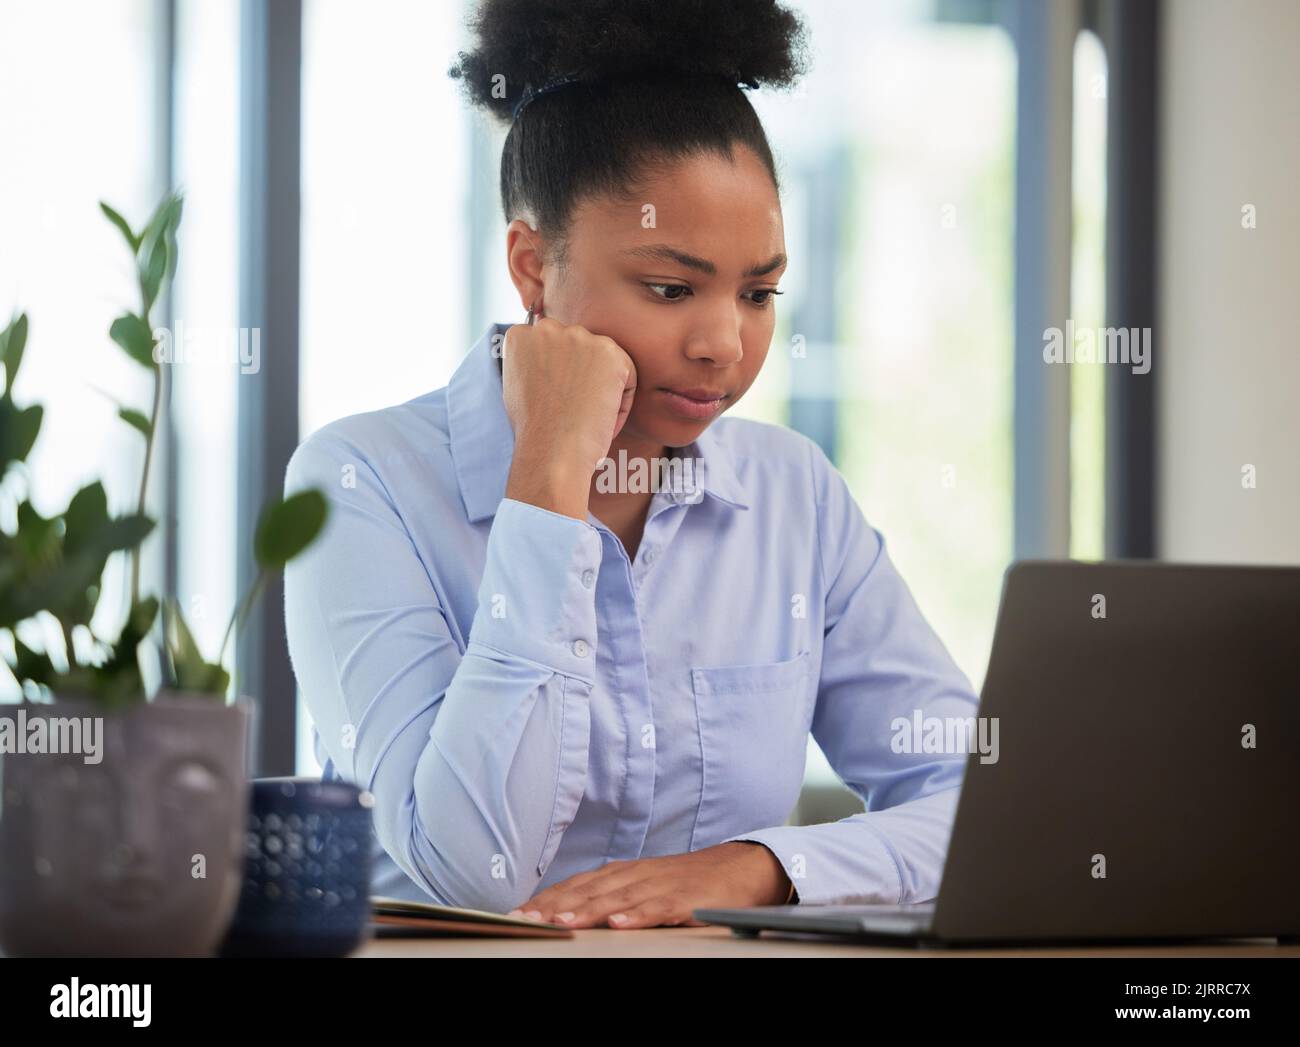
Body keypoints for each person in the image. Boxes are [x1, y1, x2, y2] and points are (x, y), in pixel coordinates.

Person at [284, 0, 980, 930]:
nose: (725, 344)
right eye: (670, 288)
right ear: (533, 266)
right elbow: (471, 873)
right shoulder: (362, 485)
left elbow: (983, 803)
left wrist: (755, 869)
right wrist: (549, 477)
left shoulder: (793, 496)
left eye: (760, 291)